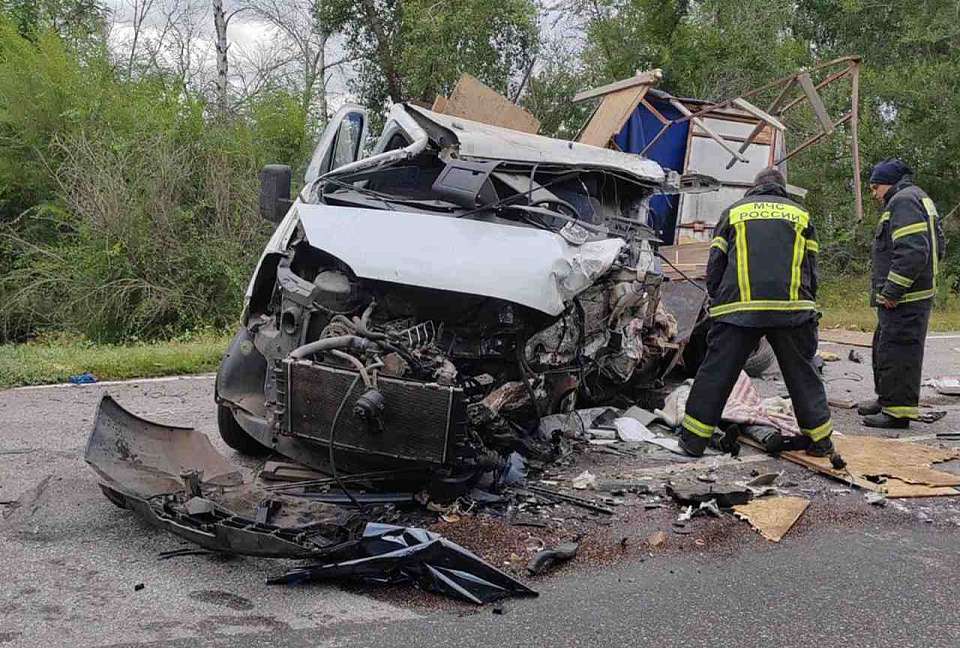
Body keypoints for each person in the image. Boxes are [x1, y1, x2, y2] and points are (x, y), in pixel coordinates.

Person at [678, 167, 834, 457]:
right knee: (803, 374)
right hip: (791, 310)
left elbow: (715, 265)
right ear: (782, 189)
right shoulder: (801, 215)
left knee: (716, 373)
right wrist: (807, 301)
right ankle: (821, 441)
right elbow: (811, 268)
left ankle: (693, 441)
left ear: (754, 187)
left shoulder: (734, 212)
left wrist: (717, 298)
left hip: (739, 310)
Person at [857, 159, 945, 429]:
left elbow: (913, 252)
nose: (874, 193)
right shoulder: (916, 197)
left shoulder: (903, 201)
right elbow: (938, 245)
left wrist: (894, 290)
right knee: (884, 347)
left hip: (905, 298)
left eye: (875, 187)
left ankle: (897, 413)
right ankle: (887, 400)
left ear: (888, 183)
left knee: (899, 353)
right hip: (908, 295)